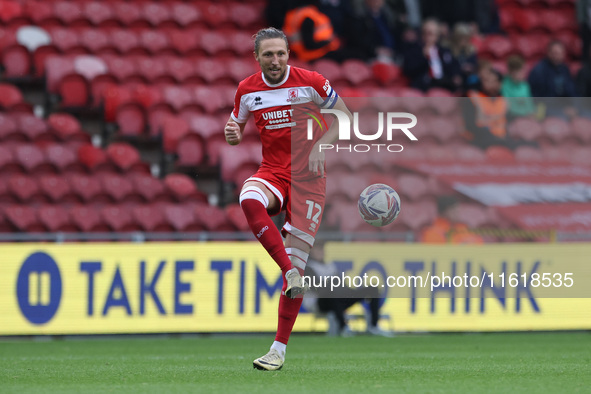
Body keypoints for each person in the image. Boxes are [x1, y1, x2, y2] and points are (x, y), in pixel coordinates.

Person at [224, 27, 352, 371]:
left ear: (288, 53)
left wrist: (323, 146)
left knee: (295, 271)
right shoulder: (247, 90)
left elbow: (344, 115)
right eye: (268, 54)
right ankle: (289, 271)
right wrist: (232, 133)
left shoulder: (311, 80)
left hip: (310, 180)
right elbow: (235, 129)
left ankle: (277, 351)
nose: (276, 60)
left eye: (281, 53)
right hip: (275, 171)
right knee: (248, 198)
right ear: (257, 58)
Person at [304, 240, 394, 337]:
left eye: (322, 249)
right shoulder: (308, 268)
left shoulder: (329, 265)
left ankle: (373, 326)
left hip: (337, 298)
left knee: (373, 289)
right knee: (331, 291)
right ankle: (343, 327)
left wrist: (349, 292)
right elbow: (317, 288)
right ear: (311, 252)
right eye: (317, 250)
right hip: (319, 303)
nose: (320, 252)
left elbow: (340, 285)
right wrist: (332, 283)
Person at [402, 19, 462, 92]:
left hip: (444, 84)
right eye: (424, 33)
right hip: (425, 86)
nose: (427, 36)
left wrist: (456, 75)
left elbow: (454, 66)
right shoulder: (414, 50)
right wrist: (423, 57)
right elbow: (408, 70)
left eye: (430, 34)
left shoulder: (444, 51)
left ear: (437, 36)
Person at [528, 40, 577, 118]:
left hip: (564, 107)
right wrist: (561, 108)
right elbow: (537, 97)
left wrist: (573, 106)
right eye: (555, 53)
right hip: (547, 108)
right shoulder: (539, 71)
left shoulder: (565, 69)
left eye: (561, 53)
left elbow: (572, 91)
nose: (558, 56)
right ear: (549, 53)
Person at [420, 196, 484, 243]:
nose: (457, 213)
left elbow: (479, 244)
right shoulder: (433, 233)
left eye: (458, 210)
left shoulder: (464, 229)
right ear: (443, 212)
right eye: (453, 210)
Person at [501, 55, 537, 120]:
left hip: (526, 117)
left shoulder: (525, 85)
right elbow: (508, 107)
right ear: (513, 72)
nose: (524, 74)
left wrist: (532, 113)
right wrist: (525, 114)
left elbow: (529, 104)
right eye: (522, 71)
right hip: (511, 118)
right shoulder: (503, 85)